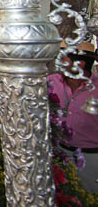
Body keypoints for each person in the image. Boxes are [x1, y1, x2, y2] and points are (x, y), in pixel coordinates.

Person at [48, 42, 98, 192]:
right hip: (59, 153)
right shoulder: (51, 81)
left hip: (91, 158)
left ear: (80, 64)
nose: (60, 62)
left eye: (64, 58)